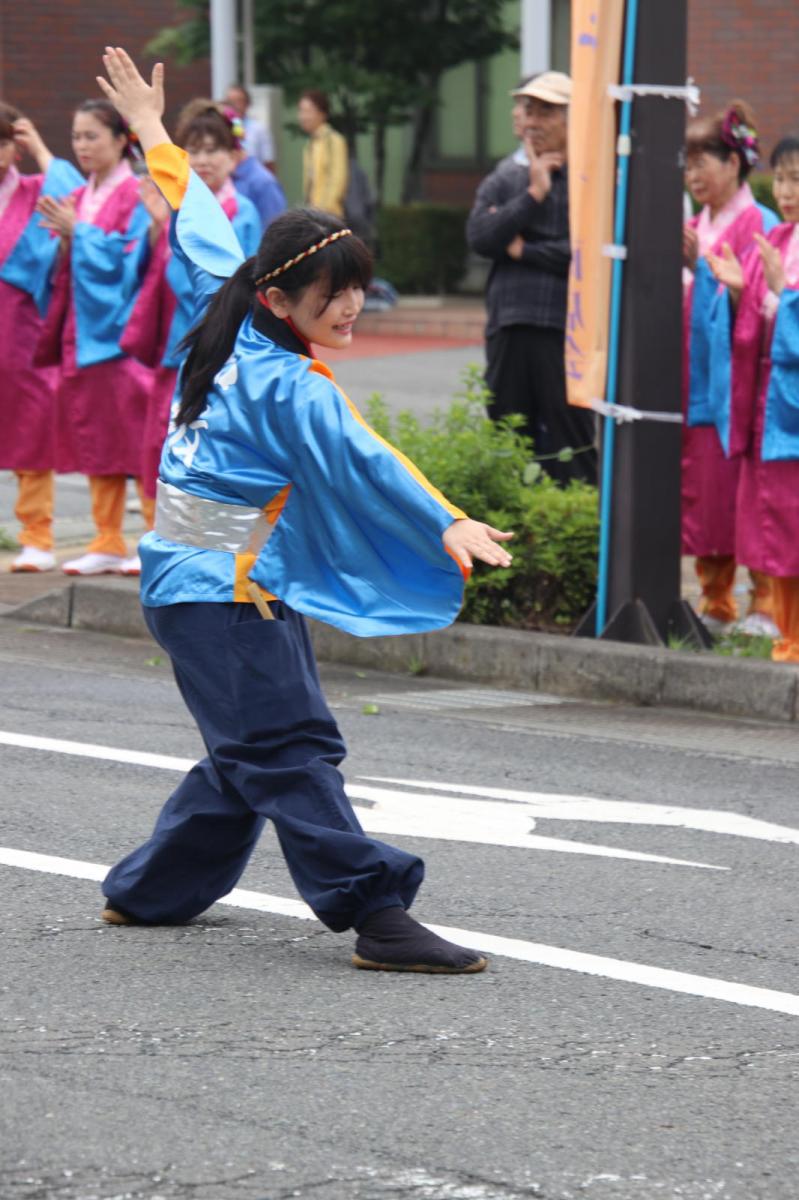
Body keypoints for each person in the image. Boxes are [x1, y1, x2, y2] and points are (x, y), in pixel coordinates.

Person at [95, 46, 515, 975]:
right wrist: (441, 519)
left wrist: (153, 126)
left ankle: (150, 890)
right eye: (335, 292)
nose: (353, 306)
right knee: (285, 748)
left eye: (359, 286)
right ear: (280, 294)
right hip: (220, 589)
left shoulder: (228, 302)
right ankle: (376, 912)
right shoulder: (290, 382)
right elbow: (366, 457)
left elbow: (195, 215)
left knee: (251, 747)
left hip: (210, 582)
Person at [121, 100, 263, 571]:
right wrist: (157, 228)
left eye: (212, 150)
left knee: (206, 443)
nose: (202, 160)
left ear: (234, 156)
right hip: (175, 343)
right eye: (193, 151)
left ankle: (199, 542)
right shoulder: (174, 208)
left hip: (218, 350)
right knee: (160, 442)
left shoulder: (242, 212)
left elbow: (233, 287)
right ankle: (159, 534)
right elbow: (145, 273)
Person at [34, 99, 153, 576]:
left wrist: (78, 233)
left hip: (121, 335)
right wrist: (68, 239)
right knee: (97, 435)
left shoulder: (138, 192)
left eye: (92, 136)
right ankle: (106, 538)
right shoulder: (81, 195)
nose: (82, 146)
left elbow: (133, 259)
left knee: (139, 437)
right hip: (82, 331)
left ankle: (153, 536)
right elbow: (63, 263)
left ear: (122, 140)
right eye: (77, 137)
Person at [466, 71, 597, 487]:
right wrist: (533, 195)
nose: (533, 121)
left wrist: (524, 250)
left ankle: (577, 519)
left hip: (566, 326)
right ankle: (512, 522)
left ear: (572, 119)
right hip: (508, 323)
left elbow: (587, 253)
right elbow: (480, 237)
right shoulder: (507, 176)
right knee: (508, 438)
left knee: (572, 440)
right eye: (530, 110)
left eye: (547, 112)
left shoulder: (591, 179)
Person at [682, 101, 780, 636]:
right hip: (700, 384)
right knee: (708, 497)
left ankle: (766, 604)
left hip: (740, 391)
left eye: (703, 162)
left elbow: (761, 305)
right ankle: (715, 601)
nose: (693, 175)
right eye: (688, 165)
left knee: (752, 498)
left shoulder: (758, 224)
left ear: (734, 164)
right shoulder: (696, 224)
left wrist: (699, 269)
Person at [707, 136, 799, 662]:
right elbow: (753, 326)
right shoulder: (777, 238)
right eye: (780, 180)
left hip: (789, 410)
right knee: (774, 519)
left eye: (796, 181)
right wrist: (743, 294)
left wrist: (785, 295)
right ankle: (784, 629)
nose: (785, 192)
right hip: (772, 407)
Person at [0, 105, 82, 572]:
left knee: (31, 431)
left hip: (22, 330)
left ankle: (37, 534)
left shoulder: (36, 191)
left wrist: (40, 148)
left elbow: (75, 197)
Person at [298, 89, 348, 219]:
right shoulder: (311, 143)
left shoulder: (333, 140)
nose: (303, 117)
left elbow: (338, 179)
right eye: (301, 111)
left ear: (322, 114)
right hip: (314, 214)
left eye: (308, 111)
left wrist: (324, 211)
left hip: (329, 217)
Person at [225, 83, 275, 173]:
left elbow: (268, 162)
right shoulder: (220, 128)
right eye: (230, 102)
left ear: (247, 104)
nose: (233, 105)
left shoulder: (258, 129)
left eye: (238, 101)